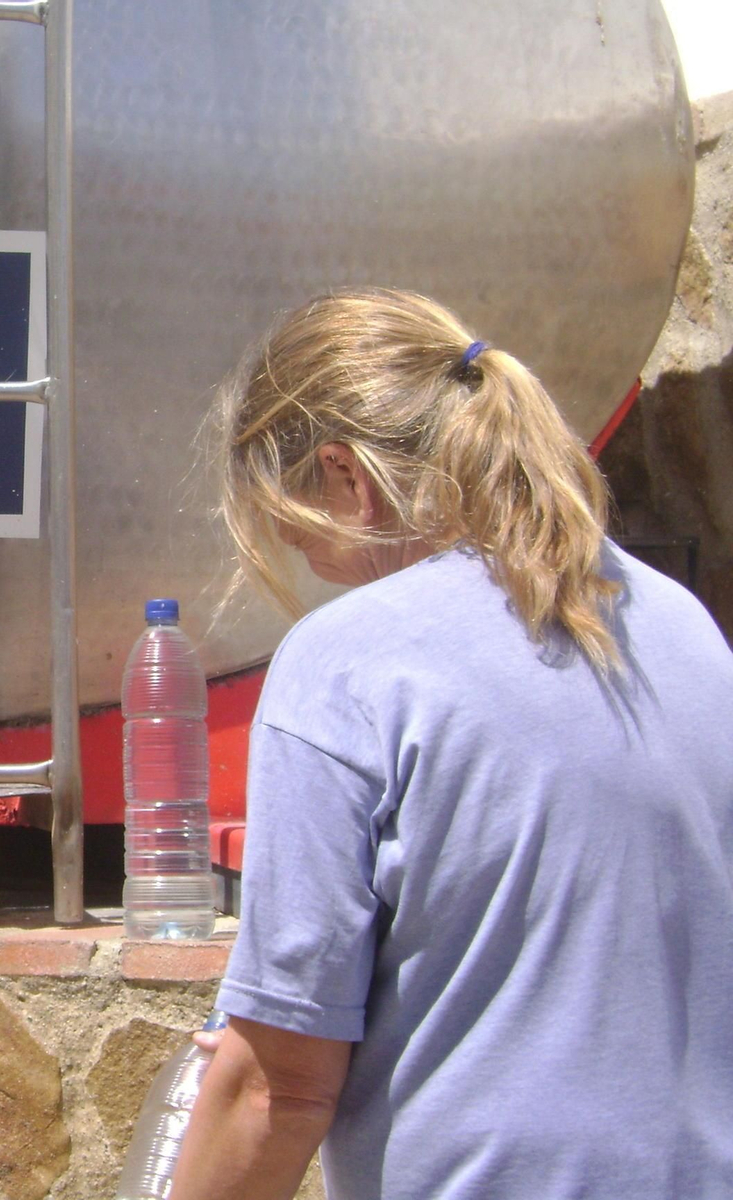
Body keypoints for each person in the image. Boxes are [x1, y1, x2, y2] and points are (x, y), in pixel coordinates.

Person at [169, 289, 733, 1199]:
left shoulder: (346, 663)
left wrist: (271, 1053)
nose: (312, 569)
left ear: (346, 477)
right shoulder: (684, 627)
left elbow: (280, 1088)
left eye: (297, 531)